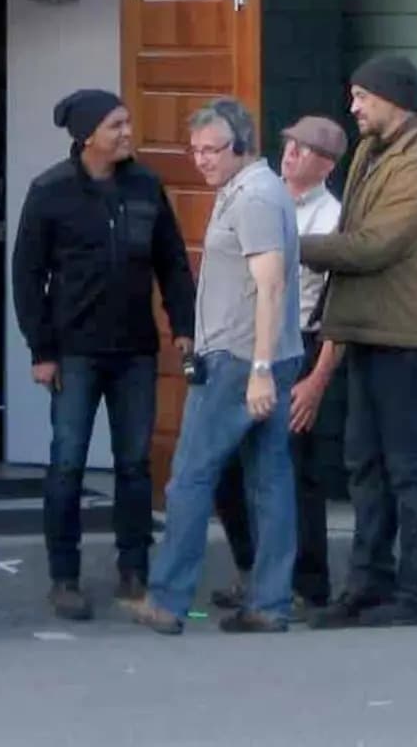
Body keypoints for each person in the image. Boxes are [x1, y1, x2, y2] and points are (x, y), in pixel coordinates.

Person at [10, 87, 195, 621]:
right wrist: (41, 349)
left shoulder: (146, 186)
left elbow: (172, 262)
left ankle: (134, 568)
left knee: (134, 464)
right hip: (73, 352)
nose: (127, 133)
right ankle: (64, 576)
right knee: (67, 463)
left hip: (135, 349)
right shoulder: (50, 191)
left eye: (127, 123)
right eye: (116, 125)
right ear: (87, 134)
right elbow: (27, 275)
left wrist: (182, 326)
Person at [301, 55, 417, 631]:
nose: (353, 108)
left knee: (408, 466)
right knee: (366, 465)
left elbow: (374, 245)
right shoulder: (373, 151)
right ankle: (368, 585)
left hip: (408, 336)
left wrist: (291, 243)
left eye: (362, 97)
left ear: (392, 98)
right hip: (368, 329)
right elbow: (356, 235)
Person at [128, 99, 301, 635]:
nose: (201, 159)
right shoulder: (255, 189)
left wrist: (260, 369)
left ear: (242, 145)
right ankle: (270, 602)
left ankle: (167, 600)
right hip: (262, 355)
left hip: (239, 359)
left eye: (212, 149)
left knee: (190, 478)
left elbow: (271, 285)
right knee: (268, 482)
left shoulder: (254, 197)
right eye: (196, 150)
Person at [214, 114, 347, 613]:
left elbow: (337, 309)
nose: (291, 153)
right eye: (289, 143)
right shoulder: (259, 199)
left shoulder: (332, 219)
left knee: (291, 467)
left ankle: (306, 582)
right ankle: (252, 569)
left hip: (299, 343)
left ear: (327, 165)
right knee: (226, 461)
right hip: (243, 340)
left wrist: (316, 379)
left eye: (304, 149)